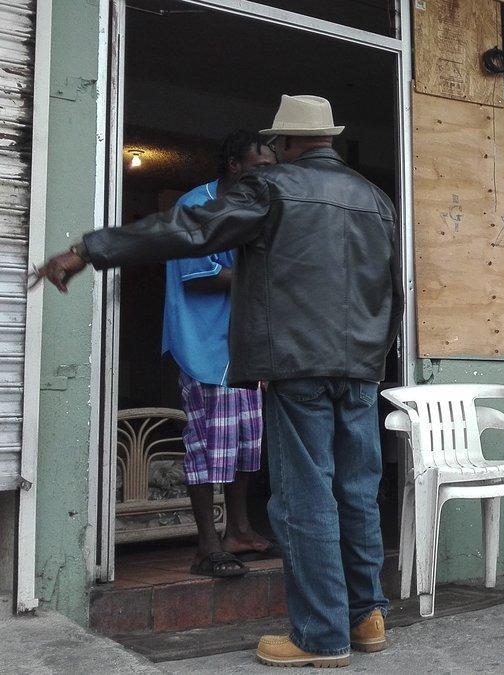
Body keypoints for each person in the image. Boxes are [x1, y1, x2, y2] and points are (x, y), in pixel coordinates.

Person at [35, 95, 402, 668]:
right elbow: (393, 286)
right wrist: (378, 355)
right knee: (356, 491)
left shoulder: (272, 188)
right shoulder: (375, 198)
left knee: (304, 499)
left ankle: (321, 637)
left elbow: (189, 229)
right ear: (327, 139)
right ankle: (366, 617)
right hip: (360, 366)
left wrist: (90, 248)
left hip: (297, 364)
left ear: (283, 144)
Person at [163, 130, 276, 579]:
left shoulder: (252, 208)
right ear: (234, 165)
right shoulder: (197, 206)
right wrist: (265, 270)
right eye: (261, 166)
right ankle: (206, 547)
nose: (269, 174)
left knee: (247, 445)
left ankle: (240, 531)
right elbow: (201, 277)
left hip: (243, 347)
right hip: (205, 346)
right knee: (208, 448)